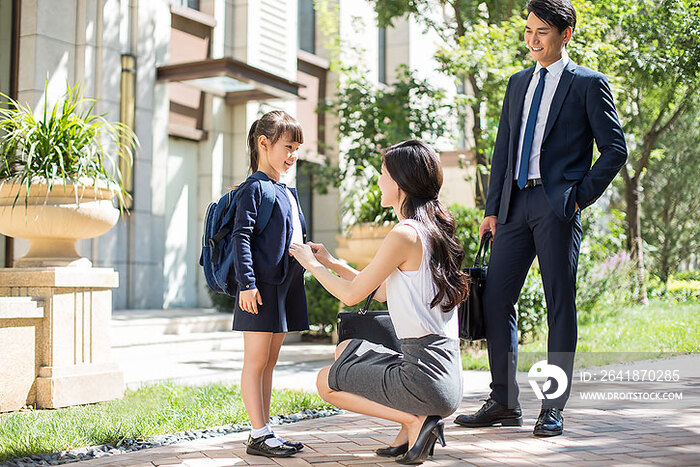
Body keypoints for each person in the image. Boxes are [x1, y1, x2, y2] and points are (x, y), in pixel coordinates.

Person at [453, 0, 627, 437]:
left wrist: (577, 197)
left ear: (565, 35)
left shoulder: (589, 84)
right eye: (528, 31)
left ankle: (553, 406)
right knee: (495, 300)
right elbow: (503, 149)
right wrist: (492, 209)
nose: (532, 40)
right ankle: (504, 402)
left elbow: (615, 149)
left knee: (558, 305)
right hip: (513, 207)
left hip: (556, 207)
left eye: (541, 33)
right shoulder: (517, 84)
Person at [290, 140, 467, 465]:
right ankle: (410, 430)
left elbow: (352, 295)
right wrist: (331, 263)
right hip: (446, 377)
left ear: (400, 183)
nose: (378, 180)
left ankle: (415, 422)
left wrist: (310, 265)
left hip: (423, 379)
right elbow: (383, 290)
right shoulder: (430, 231)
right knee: (346, 350)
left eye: (382, 173)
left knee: (324, 382)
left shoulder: (405, 234)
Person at [232, 110, 309, 458]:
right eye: (288, 146)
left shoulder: (284, 189)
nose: (293, 155)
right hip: (259, 288)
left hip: (284, 284)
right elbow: (241, 237)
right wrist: (247, 284)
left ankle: (264, 431)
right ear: (264, 144)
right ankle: (258, 433)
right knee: (256, 360)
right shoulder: (254, 188)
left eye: (296, 148)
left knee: (270, 360)